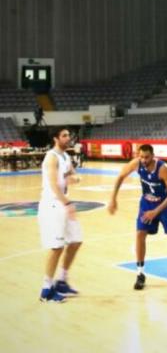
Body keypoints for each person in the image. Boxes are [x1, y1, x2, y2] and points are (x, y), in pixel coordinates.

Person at [107, 144, 167, 290]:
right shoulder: (137, 163)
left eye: (147, 157)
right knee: (140, 234)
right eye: (141, 156)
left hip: (165, 204)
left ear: (153, 156)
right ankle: (140, 274)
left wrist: (156, 212)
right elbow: (120, 176)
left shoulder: (162, 169)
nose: (143, 160)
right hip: (147, 203)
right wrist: (113, 198)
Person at [38, 128, 83, 302]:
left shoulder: (65, 156)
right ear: (56, 138)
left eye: (69, 135)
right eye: (64, 136)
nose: (68, 138)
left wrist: (75, 177)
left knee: (76, 240)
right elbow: (53, 185)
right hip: (52, 204)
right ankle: (46, 290)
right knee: (57, 247)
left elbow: (72, 173)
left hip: (62, 202)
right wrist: (67, 203)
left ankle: (62, 280)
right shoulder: (51, 157)